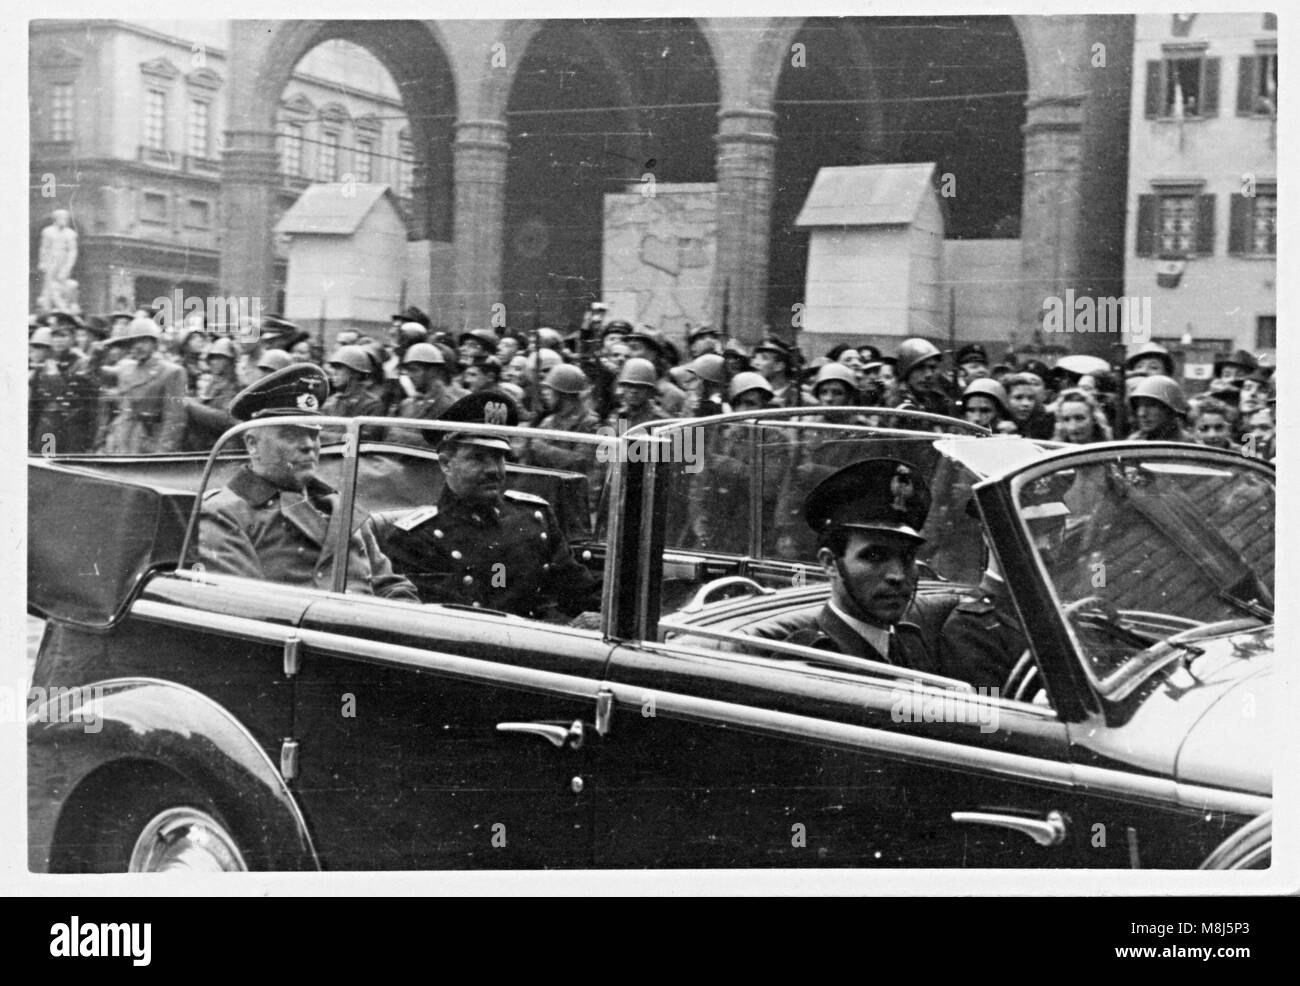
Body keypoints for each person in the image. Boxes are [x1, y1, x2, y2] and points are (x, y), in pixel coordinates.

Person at [197, 364, 418, 600]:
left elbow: (391, 586)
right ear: (253, 444)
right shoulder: (224, 514)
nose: (309, 445)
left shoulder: (338, 504)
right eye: (291, 434)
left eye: (313, 434)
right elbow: (252, 609)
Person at [383, 391, 601, 623]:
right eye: (478, 458)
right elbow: (446, 629)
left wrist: (606, 616)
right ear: (446, 464)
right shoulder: (417, 540)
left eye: (499, 457)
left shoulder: (534, 519)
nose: (494, 470)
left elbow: (580, 590)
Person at [785, 458, 938, 671]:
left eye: (907, 557)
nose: (898, 576)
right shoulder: (813, 658)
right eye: (874, 556)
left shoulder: (909, 642)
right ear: (830, 563)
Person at [101, 318, 188, 454]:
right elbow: (96, 374)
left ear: (155, 344)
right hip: (122, 438)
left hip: (148, 442)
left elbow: (174, 419)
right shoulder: (125, 367)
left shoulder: (171, 372)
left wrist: (161, 454)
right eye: (134, 343)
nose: (138, 347)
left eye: (144, 341)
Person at [385, 343, 459, 445]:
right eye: (408, 370)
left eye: (414, 370)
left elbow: (448, 445)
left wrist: (405, 437)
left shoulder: (447, 405)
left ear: (433, 371)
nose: (409, 375)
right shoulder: (407, 403)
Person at [182, 337, 242, 451]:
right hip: (206, 442)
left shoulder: (236, 386)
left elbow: (227, 419)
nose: (214, 362)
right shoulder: (213, 383)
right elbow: (205, 402)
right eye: (212, 358)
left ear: (230, 361)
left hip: (226, 446)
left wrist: (192, 406)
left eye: (219, 358)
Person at [321, 345, 387, 443]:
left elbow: (367, 438)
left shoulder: (372, 404)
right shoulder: (331, 402)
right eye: (333, 368)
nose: (333, 373)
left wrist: (329, 436)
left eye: (339, 368)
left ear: (356, 372)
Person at [890, 338, 954, 418]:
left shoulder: (940, 402)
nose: (928, 374)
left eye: (932, 367)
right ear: (906, 371)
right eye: (920, 367)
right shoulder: (894, 404)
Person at [1127, 375, 1191, 442]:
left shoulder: (1188, 445)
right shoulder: (1134, 442)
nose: (1142, 413)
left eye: (1150, 405)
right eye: (1139, 406)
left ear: (1170, 410)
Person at [607, 357, 668, 429]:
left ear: (649, 391)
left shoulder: (658, 420)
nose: (634, 391)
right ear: (623, 387)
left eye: (640, 387)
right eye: (629, 386)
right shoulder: (620, 414)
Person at [1003, 372, 1055, 439]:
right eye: (1018, 397)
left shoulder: (1044, 424)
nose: (1026, 403)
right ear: (1005, 398)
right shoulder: (992, 426)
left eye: (1030, 398)